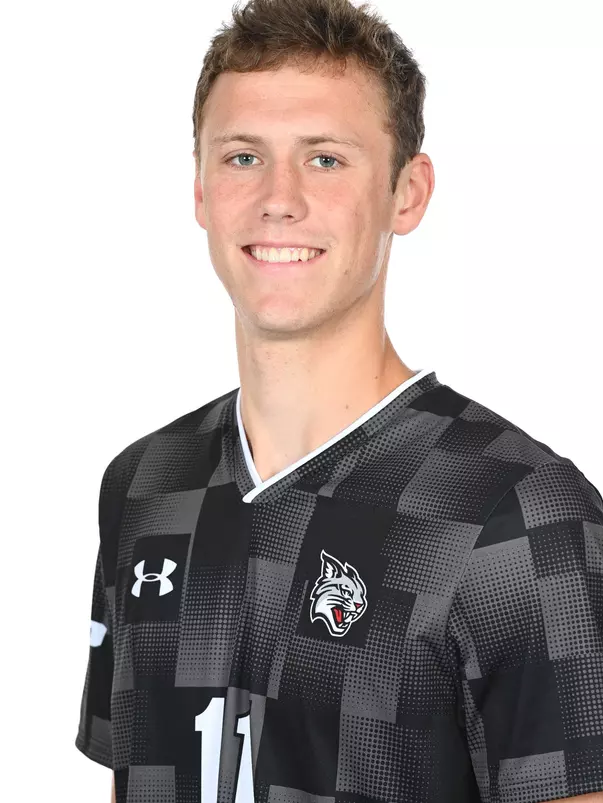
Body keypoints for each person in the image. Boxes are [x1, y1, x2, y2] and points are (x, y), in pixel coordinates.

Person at [75, 0, 603, 801]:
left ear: (407, 193)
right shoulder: (147, 486)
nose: (277, 198)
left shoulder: (522, 519)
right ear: (200, 191)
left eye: (325, 159)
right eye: (243, 157)